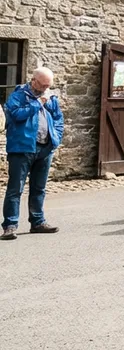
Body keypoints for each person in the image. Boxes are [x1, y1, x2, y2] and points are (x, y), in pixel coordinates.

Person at [2, 67, 64, 241]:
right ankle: (10, 225)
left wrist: (56, 138)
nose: (45, 89)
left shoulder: (50, 97)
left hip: (45, 148)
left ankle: (37, 221)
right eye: (43, 85)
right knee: (15, 188)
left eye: (48, 86)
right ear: (34, 81)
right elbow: (16, 115)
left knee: (39, 188)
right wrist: (38, 103)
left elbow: (58, 118)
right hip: (22, 148)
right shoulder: (18, 96)